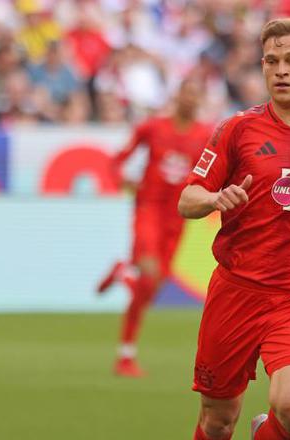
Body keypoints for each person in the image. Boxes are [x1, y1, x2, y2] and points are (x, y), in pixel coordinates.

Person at [178, 18, 290, 440]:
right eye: (271, 61)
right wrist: (214, 198)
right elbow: (187, 198)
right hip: (236, 292)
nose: (280, 71)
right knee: (218, 422)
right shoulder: (237, 130)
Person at [96, 77, 211, 377]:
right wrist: (122, 179)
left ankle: (123, 276)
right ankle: (125, 355)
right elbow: (118, 159)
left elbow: (213, 174)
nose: (190, 99)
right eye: (187, 93)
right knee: (148, 273)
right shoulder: (153, 128)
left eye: (196, 94)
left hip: (178, 218)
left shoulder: (205, 135)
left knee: (152, 287)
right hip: (149, 210)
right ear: (177, 95)